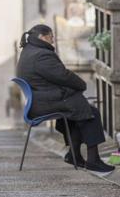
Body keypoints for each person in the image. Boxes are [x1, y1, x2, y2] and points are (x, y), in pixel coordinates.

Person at [16, 24, 114, 172]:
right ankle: (93, 160)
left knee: (76, 111)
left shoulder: (29, 50)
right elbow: (62, 75)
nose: (53, 41)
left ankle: (73, 155)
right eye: (51, 37)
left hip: (40, 100)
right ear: (43, 37)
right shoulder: (42, 55)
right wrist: (81, 84)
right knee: (91, 113)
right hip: (43, 103)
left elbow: (55, 77)